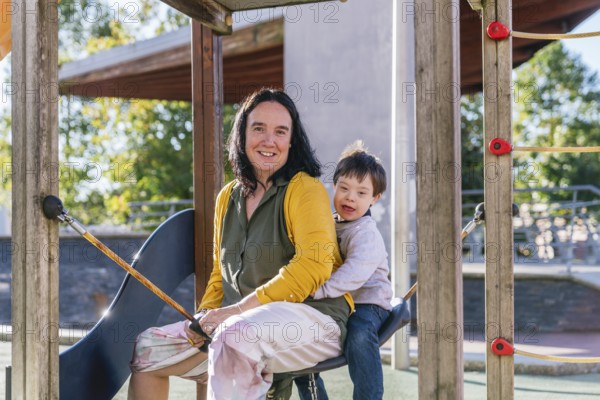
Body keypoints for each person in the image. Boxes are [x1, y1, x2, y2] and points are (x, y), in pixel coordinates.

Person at [127, 88, 353, 400]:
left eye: (280, 131)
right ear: (242, 135)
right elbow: (221, 275)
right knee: (149, 348)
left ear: (292, 141)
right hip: (240, 326)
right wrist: (205, 317)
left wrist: (233, 312)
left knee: (235, 337)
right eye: (258, 128)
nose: (268, 140)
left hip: (316, 318)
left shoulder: (306, 189)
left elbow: (312, 266)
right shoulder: (227, 197)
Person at [294, 141, 393, 400]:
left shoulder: (365, 233)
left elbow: (354, 273)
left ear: (374, 198)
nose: (350, 197)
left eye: (361, 193)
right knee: (296, 335)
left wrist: (321, 290)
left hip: (367, 302)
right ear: (334, 186)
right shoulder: (329, 222)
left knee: (359, 336)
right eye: (344, 188)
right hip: (336, 300)